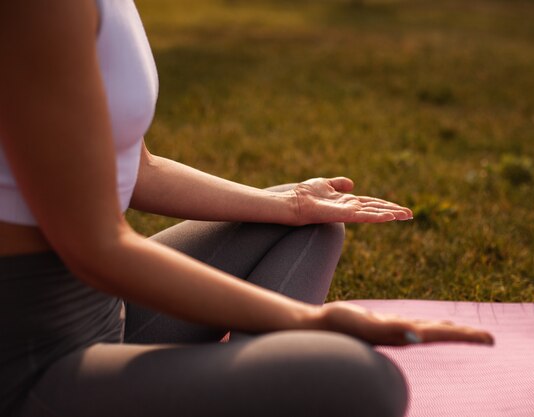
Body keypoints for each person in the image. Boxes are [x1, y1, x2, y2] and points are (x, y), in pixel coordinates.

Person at [0, 1, 494, 416]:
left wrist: (288, 204)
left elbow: (137, 168)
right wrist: (311, 323)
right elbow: (96, 248)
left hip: (109, 315)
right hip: (33, 360)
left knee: (310, 227)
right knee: (362, 380)